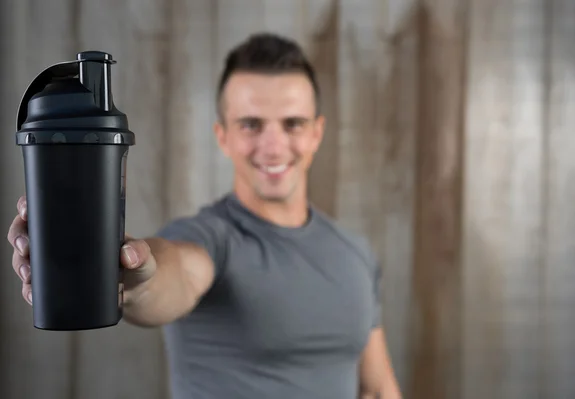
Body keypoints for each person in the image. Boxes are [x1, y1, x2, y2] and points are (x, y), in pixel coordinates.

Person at [7, 33, 402, 399]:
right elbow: (170, 273)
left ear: (316, 133)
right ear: (222, 136)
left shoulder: (355, 253)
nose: (273, 145)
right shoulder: (209, 240)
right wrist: (133, 276)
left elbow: (380, 388)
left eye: (293, 124)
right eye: (251, 124)